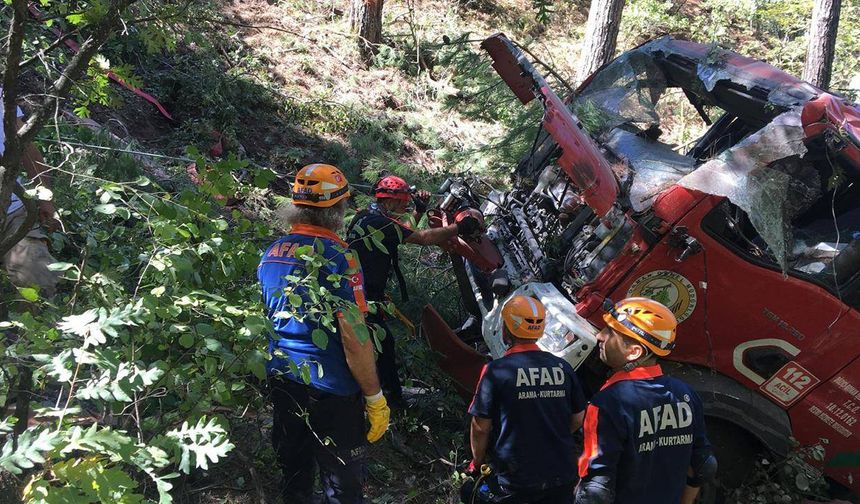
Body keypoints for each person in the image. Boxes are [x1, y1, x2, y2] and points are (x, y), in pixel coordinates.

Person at [258, 163, 390, 504]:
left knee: (295, 474)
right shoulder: (339, 257)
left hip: (284, 380)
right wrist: (375, 397)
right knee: (343, 486)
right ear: (338, 208)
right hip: (332, 390)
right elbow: (354, 336)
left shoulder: (271, 254)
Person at [346, 174, 480, 405]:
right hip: (362, 295)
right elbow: (422, 238)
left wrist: (419, 211)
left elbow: (401, 231)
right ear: (389, 201)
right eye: (402, 203)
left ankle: (379, 394)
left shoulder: (368, 216)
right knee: (382, 346)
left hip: (362, 292)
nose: (405, 206)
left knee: (378, 344)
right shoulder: (380, 222)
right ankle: (390, 401)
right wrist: (459, 227)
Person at [575, 297, 717, 504]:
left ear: (634, 352)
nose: (600, 336)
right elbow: (704, 465)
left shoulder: (607, 403)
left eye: (610, 332)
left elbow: (596, 492)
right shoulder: (686, 395)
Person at [462, 295, 587, 504]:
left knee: (468, 493)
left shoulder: (496, 371)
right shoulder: (563, 368)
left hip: (516, 479)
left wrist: (477, 462)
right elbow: (578, 417)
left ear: (505, 329)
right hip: (562, 474)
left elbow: (481, 427)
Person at [1, 94, 60, 298]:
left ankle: (31, 328)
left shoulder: (1, 97)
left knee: (37, 276)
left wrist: (46, 199)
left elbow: (25, 146)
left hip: (11, 212)